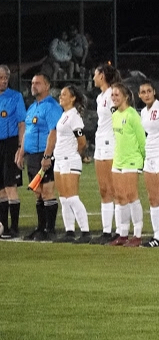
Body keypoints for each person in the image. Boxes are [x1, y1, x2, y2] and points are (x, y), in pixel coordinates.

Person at [23, 73, 62, 241]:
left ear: (47, 86)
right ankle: (40, 228)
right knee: (37, 192)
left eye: (38, 83)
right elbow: (27, 131)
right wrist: (21, 151)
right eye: (32, 83)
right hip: (32, 155)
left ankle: (50, 229)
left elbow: (53, 132)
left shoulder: (52, 106)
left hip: (44, 154)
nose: (34, 86)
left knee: (47, 191)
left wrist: (47, 155)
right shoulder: (32, 107)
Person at [107, 83, 146, 247]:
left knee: (131, 196)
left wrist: (142, 159)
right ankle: (122, 234)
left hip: (132, 160)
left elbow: (142, 140)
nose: (114, 98)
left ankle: (137, 235)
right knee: (119, 197)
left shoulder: (133, 116)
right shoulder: (115, 115)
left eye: (117, 95)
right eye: (112, 95)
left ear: (126, 97)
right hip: (118, 160)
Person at [51, 85, 90, 243]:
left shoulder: (74, 116)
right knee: (64, 198)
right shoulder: (64, 115)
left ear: (72, 98)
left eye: (64, 94)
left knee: (72, 197)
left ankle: (85, 232)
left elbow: (82, 141)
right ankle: (69, 231)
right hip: (59, 160)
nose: (61, 97)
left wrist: (76, 155)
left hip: (69, 159)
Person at [90, 64, 122, 244]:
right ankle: (106, 231)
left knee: (114, 189)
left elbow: (119, 114)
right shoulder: (100, 96)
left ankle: (119, 231)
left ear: (101, 75)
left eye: (95, 74)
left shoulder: (112, 94)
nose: (93, 77)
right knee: (104, 190)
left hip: (111, 143)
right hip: (100, 143)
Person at [138, 80, 159, 248]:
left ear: (154, 92)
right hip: (149, 156)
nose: (146, 95)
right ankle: (157, 236)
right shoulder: (143, 112)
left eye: (149, 91)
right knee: (153, 198)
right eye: (143, 92)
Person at [0, 65, 26, 239]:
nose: (3, 81)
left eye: (5, 78)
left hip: (9, 145)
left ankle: (14, 227)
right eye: (1, 78)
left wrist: (20, 148)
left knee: (10, 186)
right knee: (0, 189)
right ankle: (4, 227)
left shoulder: (15, 97)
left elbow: (22, 124)